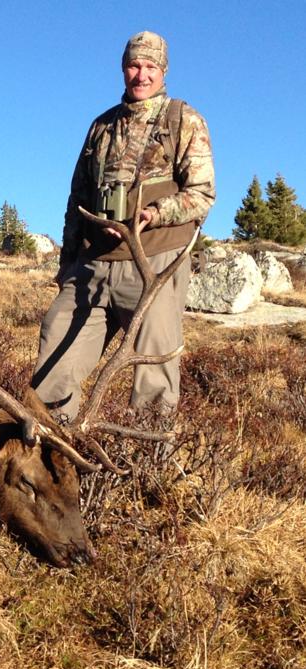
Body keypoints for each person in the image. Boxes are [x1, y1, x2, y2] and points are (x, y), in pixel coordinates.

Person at [32, 30, 215, 423]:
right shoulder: (101, 126)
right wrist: (67, 263)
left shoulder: (184, 120)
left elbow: (202, 194)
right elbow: (76, 200)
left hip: (154, 263)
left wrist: (152, 214)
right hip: (94, 262)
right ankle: (51, 451)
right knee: (55, 352)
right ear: (123, 68)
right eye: (134, 65)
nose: (141, 75)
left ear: (164, 71)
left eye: (150, 66)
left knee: (153, 372)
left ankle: (148, 469)